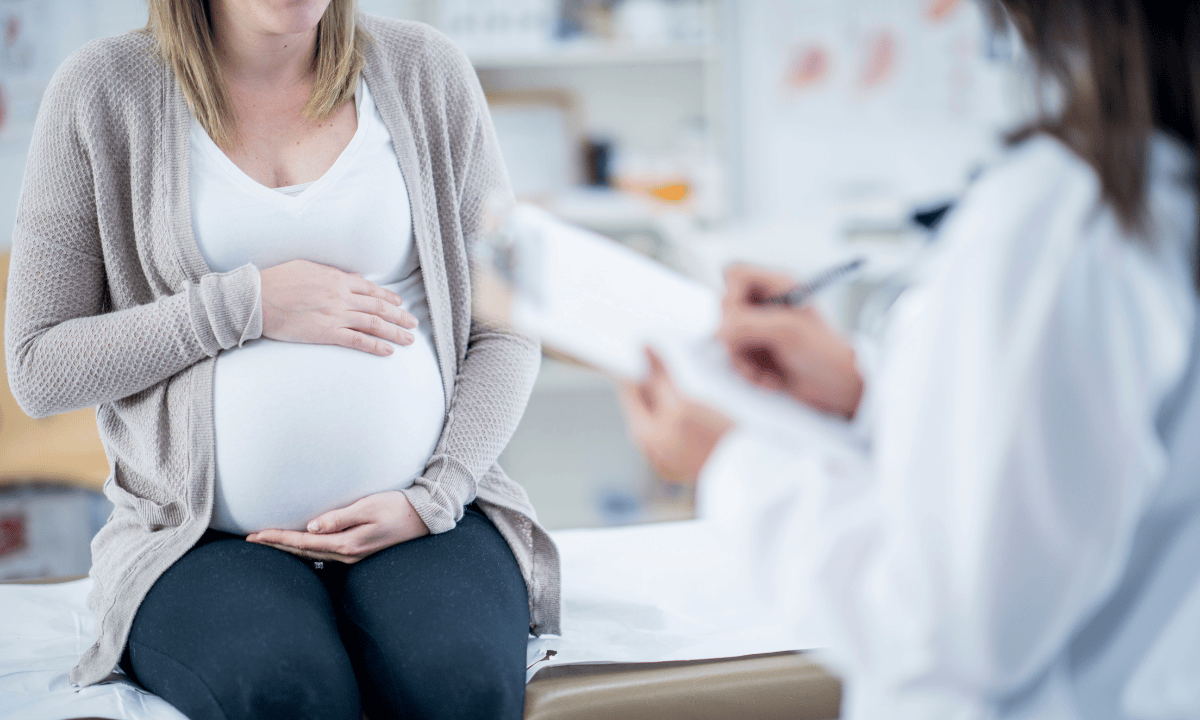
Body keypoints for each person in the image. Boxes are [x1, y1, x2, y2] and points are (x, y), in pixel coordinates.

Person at [620, 0, 1200, 717]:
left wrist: (731, 466)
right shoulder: (1158, 185)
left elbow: (944, 630)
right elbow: (1091, 449)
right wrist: (866, 388)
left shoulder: (1065, 215)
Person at [4, 2, 560, 718]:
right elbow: (38, 364)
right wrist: (247, 305)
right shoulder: (102, 90)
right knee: (286, 694)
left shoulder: (427, 70)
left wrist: (436, 496)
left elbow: (509, 324)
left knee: (459, 687)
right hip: (200, 537)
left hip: (426, 515)